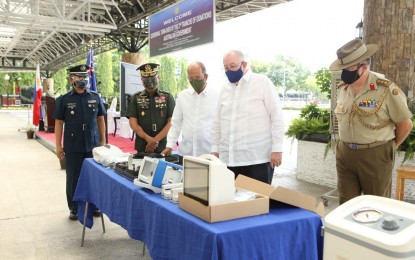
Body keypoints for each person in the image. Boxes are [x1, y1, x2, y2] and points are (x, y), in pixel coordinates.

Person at [329, 38, 413, 205]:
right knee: (346, 205)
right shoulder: (343, 89)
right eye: (343, 68)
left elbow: (406, 124)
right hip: (345, 154)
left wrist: (389, 147)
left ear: (364, 67)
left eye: (349, 69)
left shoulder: (386, 89)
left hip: (375, 155)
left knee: (376, 205)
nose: (345, 72)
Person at [211, 50, 284, 184]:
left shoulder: (262, 82)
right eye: (226, 68)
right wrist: (215, 150)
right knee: (230, 201)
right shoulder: (224, 89)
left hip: (257, 159)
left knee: (257, 202)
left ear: (244, 64)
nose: (229, 71)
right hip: (229, 159)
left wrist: (277, 149)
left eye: (233, 66)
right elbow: (217, 122)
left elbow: (277, 116)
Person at [54, 64, 106, 220]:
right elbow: (58, 123)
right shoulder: (64, 99)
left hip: (93, 143)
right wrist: (58, 145)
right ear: (72, 79)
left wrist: (103, 141)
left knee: (94, 176)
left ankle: (95, 205)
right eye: (79, 77)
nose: (82, 80)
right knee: (73, 178)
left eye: (84, 77)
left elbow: (101, 119)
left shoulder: (95, 97)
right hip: (73, 144)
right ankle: (74, 208)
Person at [161, 61, 219, 162]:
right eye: (191, 78)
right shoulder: (183, 96)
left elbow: (220, 126)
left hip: (208, 154)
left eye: (197, 77)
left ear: (206, 77)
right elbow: (176, 123)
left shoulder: (217, 96)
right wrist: (170, 145)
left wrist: (216, 150)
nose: (194, 81)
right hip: (186, 154)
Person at [127, 63, 175, 154]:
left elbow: (171, 122)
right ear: (141, 80)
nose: (149, 81)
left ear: (158, 77)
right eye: (146, 79)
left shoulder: (168, 97)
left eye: (152, 78)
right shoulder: (136, 98)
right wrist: (148, 139)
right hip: (143, 145)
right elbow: (133, 123)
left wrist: (154, 141)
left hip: (163, 146)